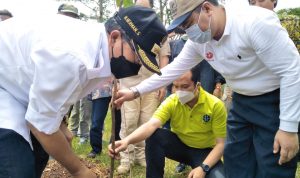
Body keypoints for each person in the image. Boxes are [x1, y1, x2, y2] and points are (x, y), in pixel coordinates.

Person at [115, 0, 300, 178]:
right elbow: (173, 69)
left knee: (273, 163)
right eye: (183, 28)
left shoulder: (254, 22)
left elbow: (292, 69)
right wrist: (134, 91)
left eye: (188, 24)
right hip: (241, 101)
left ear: (207, 9)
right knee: (236, 162)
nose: (188, 32)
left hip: (274, 101)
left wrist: (288, 128)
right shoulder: (200, 41)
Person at [0, 6, 167, 178]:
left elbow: (50, 91)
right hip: (4, 86)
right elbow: (40, 126)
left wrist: (61, 124)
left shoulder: (95, 51)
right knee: (15, 167)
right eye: (138, 57)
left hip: (16, 87)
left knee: (40, 153)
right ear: (115, 37)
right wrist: (80, 171)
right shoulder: (73, 57)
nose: (137, 66)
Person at [109, 66, 227, 178]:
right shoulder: (172, 101)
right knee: (154, 135)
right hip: (179, 145)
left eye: (185, 87)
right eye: (175, 86)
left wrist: (203, 168)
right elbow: (151, 125)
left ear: (197, 85)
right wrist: (126, 141)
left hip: (204, 152)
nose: (179, 91)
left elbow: (221, 144)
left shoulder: (215, 105)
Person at [168, 34, 226, 173]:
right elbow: (172, 68)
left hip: (203, 81)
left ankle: (204, 159)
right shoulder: (177, 44)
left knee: (203, 115)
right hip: (185, 80)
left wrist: (218, 84)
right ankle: (183, 161)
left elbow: (218, 65)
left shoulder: (210, 41)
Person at [87, 77, 113, 158]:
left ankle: (114, 147)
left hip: (119, 88)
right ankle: (95, 149)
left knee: (119, 122)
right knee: (96, 122)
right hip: (99, 90)